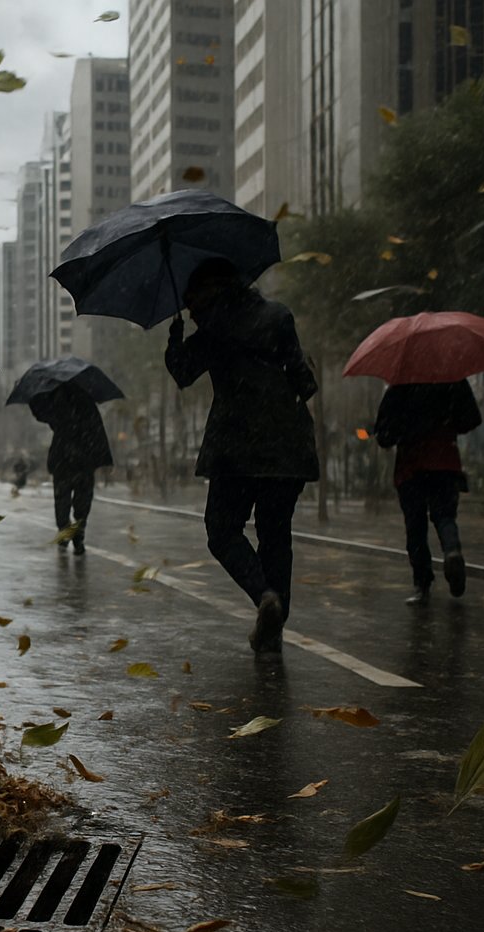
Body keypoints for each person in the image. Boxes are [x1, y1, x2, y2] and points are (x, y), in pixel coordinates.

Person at [165, 258, 317, 653]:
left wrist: (175, 338)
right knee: (276, 534)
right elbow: (305, 381)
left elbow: (182, 373)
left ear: (208, 295)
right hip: (288, 442)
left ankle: (264, 595)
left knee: (222, 530)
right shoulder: (278, 315)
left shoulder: (214, 328)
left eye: (194, 303)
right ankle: (275, 623)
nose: (194, 311)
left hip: (237, 444)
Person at [373, 380, 481, 604]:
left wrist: (405, 428)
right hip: (444, 461)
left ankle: (422, 585)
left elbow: (383, 436)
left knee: (416, 527)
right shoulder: (453, 380)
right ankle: (452, 551)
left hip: (410, 467)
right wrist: (446, 422)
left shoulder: (399, 387)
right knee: (445, 516)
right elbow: (472, 419)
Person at [31, 390, 113, 555]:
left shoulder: (56, 402)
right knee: (82, 501)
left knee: (62, 500)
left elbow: (42, 415)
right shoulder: (88, 405)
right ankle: (78, 531)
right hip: (84, 461)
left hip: (64, 461)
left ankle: (65, 530)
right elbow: (99, 431)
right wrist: (104, 459)